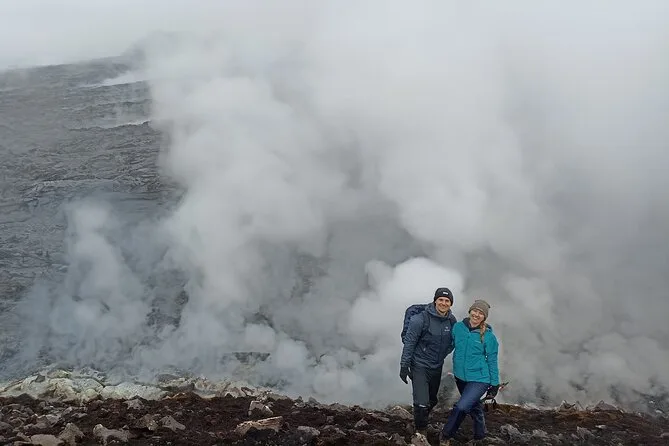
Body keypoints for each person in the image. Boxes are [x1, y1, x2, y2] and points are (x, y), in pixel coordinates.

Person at [440, 299, 500, 445]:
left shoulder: (489, 336)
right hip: (460, 377)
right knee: (474, 406)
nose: (477, 315)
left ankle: (446, 435)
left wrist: (494, 384)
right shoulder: (458, 328)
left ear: (484, 317)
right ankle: (480, 435)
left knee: (461, 407)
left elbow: (492, 360)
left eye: (481, 313)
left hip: (479, 379)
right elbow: (450, 345)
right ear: (470, 311)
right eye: (475, 311)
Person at [399, 287, 457, 435]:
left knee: (432, 400)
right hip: (419, 365)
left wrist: (443, 354)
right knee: (421, 403)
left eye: (447, 301)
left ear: (451, 303)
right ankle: (421, 432)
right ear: (435, 301)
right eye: (440, 299)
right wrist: (404, 366)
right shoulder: (420, 320)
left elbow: (453, 342)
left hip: (436, 366)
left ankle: (418, 420)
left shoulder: (451, 321)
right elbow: (409, 343)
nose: (443, 303)